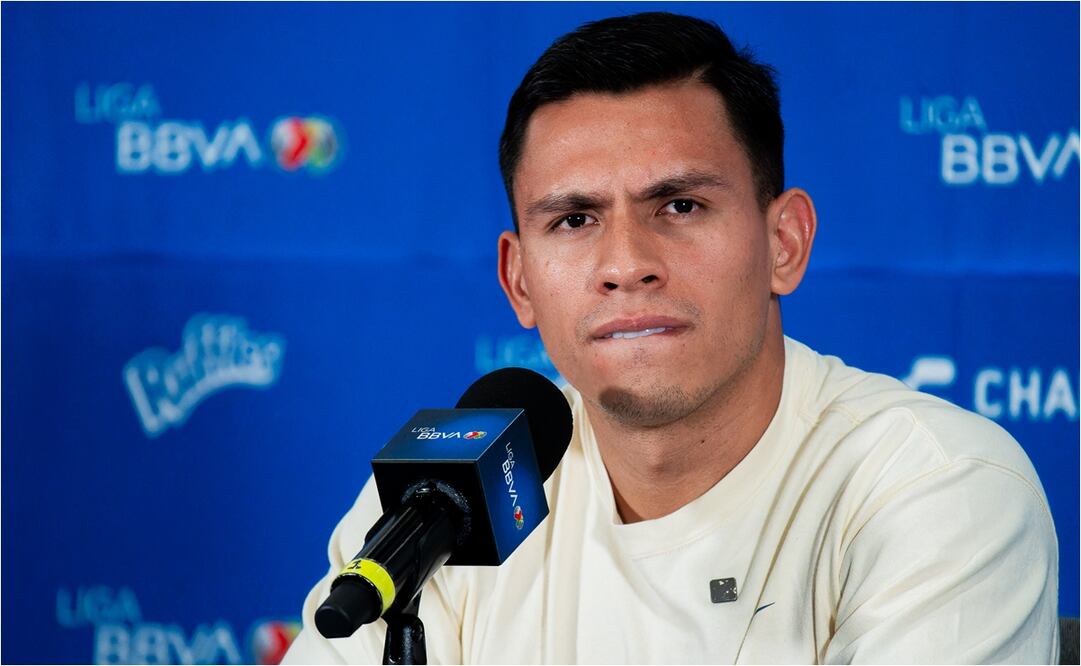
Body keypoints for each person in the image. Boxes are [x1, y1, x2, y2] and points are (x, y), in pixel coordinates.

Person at [284, 12, 1059, 664]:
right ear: (519, 281)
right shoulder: (448, 493)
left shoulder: (938, 488)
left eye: (680, 206)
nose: (626, 264)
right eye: (574, 220)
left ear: (783, 242)